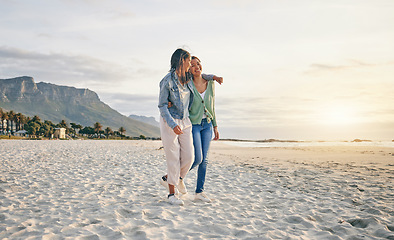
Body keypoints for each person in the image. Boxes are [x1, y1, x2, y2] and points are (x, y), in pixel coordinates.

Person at [158, 48, 216, 205]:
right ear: (181, 61)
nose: (191, 64)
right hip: (170, 121)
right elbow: (162, 106)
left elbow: (201, 75)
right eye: (189, 61)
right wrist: (171, 123)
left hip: (185, 121)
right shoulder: (167, 80)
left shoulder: (187, 78)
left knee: (190, 157)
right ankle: (171, 194)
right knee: (173, 157)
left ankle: (173, 179)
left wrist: (214, 77)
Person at [188, 56, 220, 202]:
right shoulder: (188, 85)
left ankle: (199, 192)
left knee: (204, 160)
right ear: (189, 69)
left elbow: (212, 106)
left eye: (198, 64)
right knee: (197, 158)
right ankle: (174, 177)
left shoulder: (210, 83)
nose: (197, 67)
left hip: (207, 124)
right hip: (193, 124)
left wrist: (215, 126)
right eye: (193, 65)